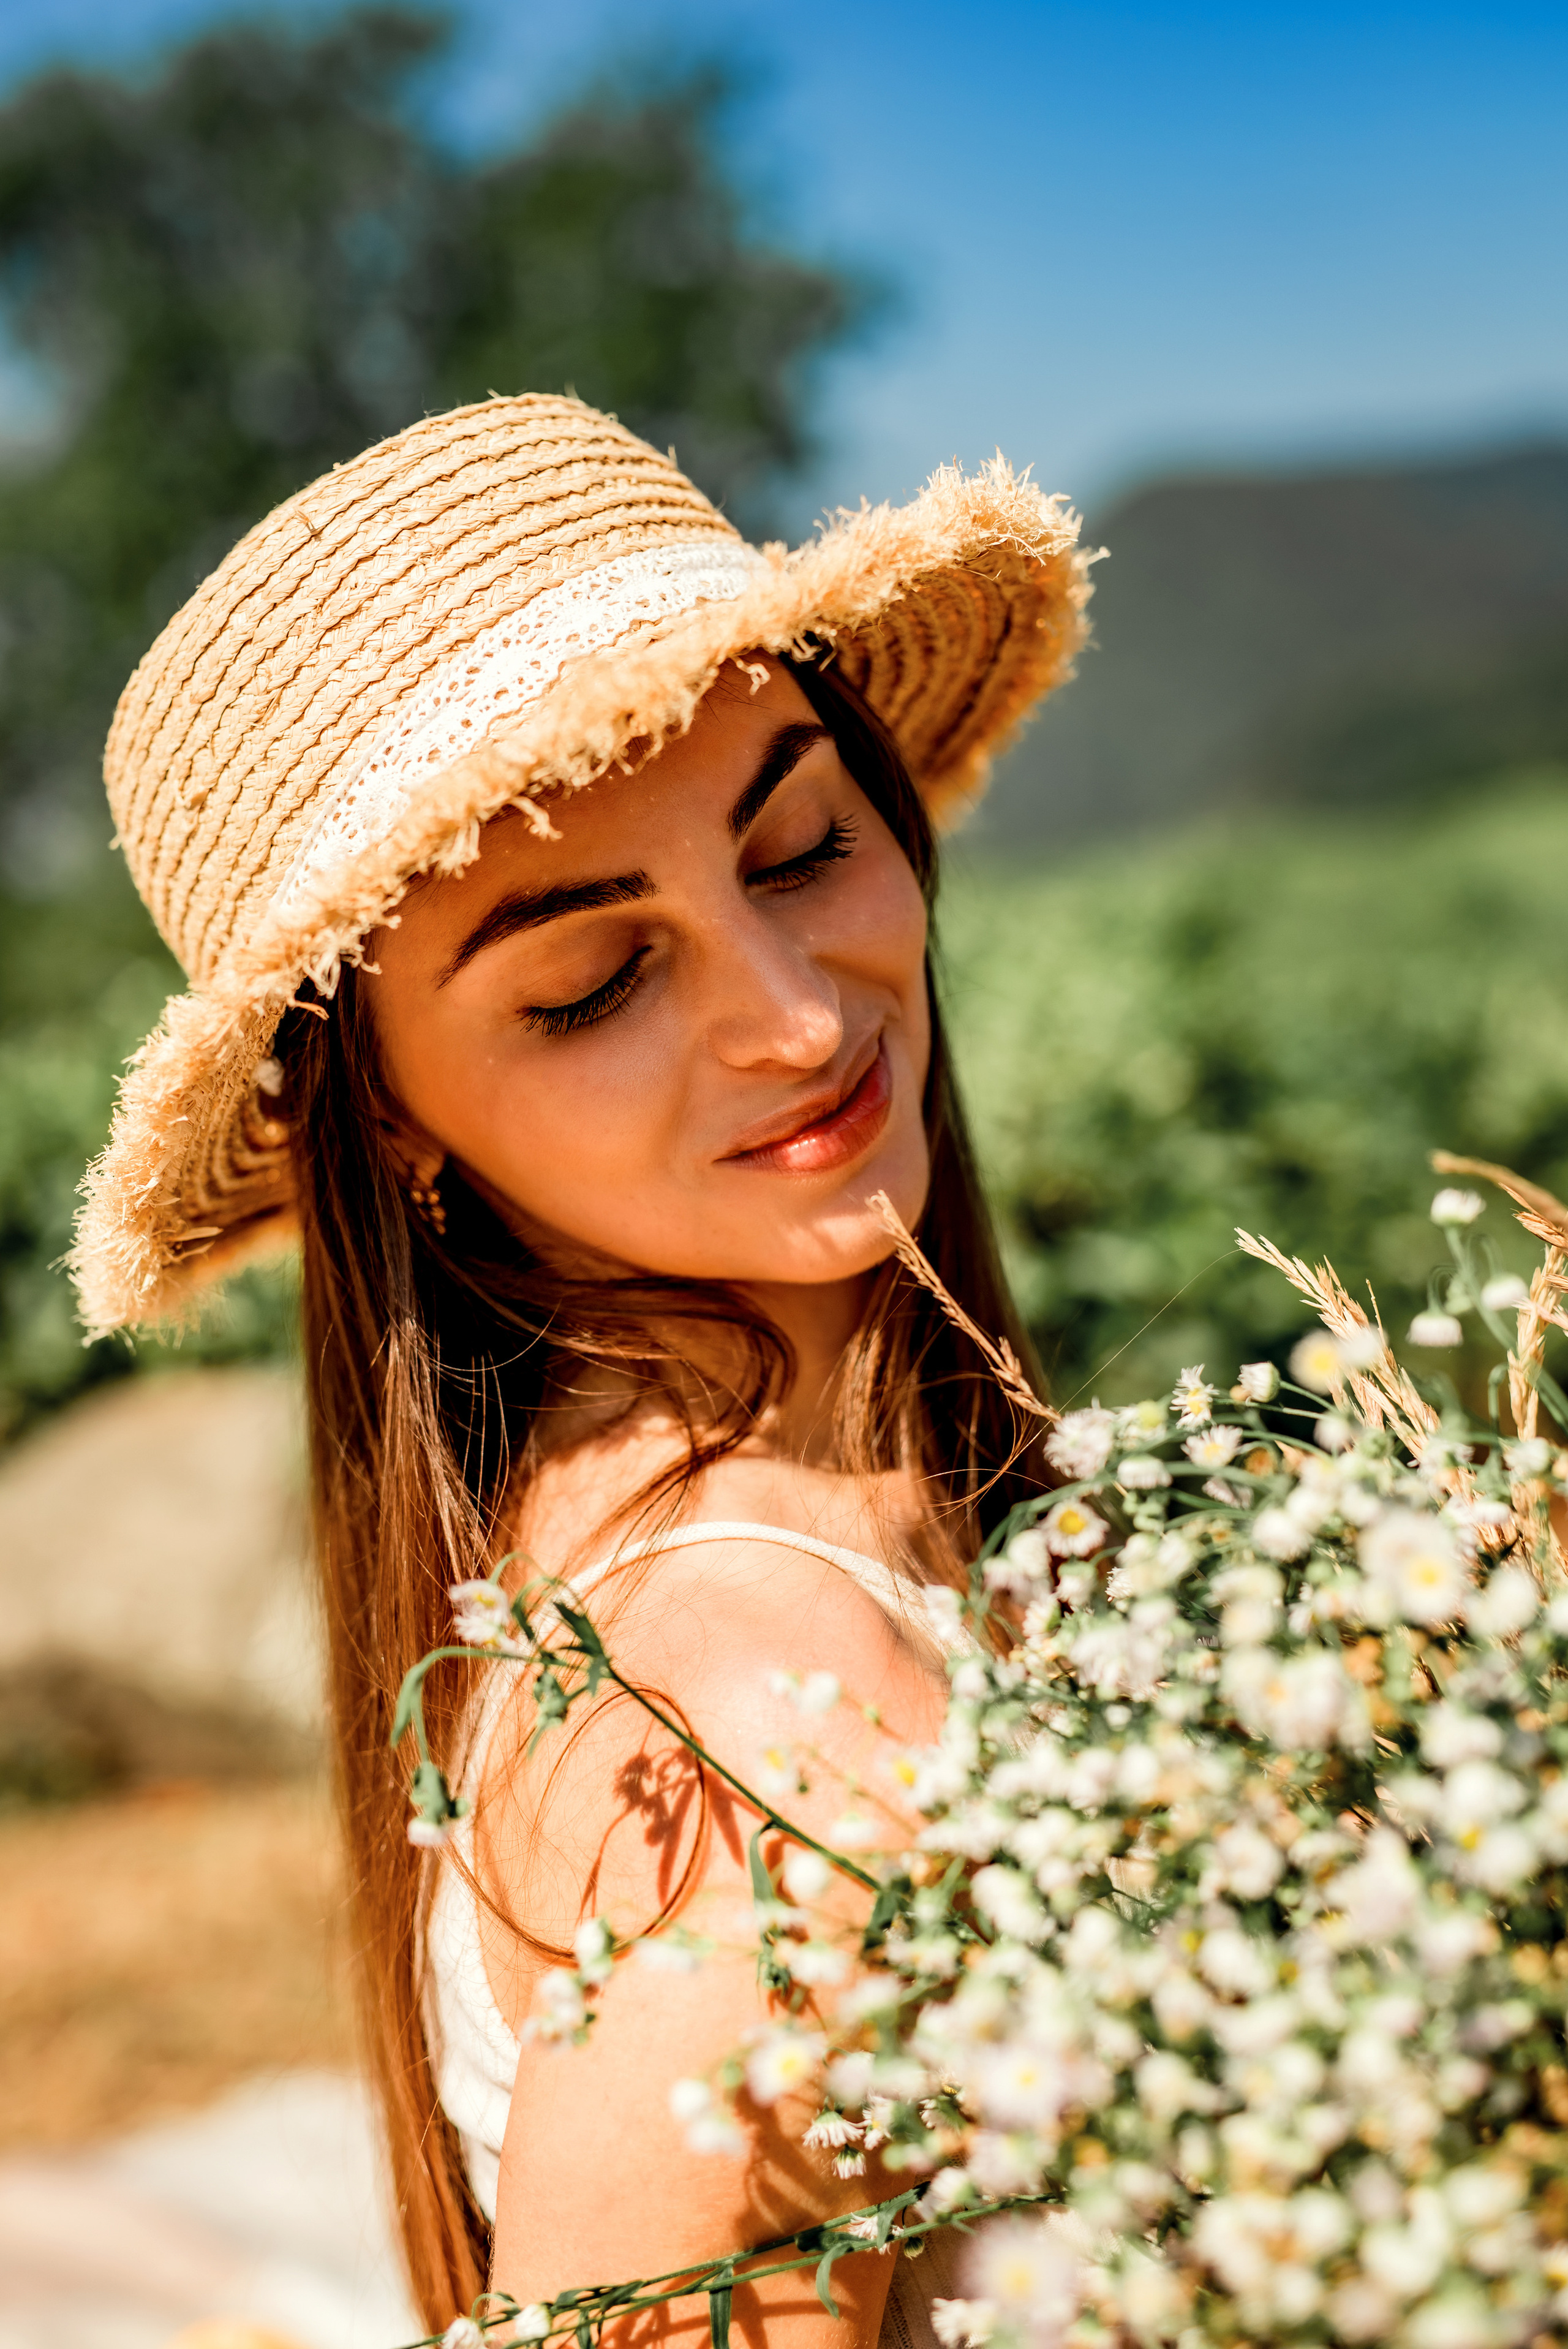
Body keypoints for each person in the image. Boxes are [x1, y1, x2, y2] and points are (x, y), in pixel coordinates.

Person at [74, 396, 1091, 2345]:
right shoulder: (757, 1729)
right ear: (387, 1117)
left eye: (799, 846)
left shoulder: (819, 1517)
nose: (793, 1018)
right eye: (592, 982)